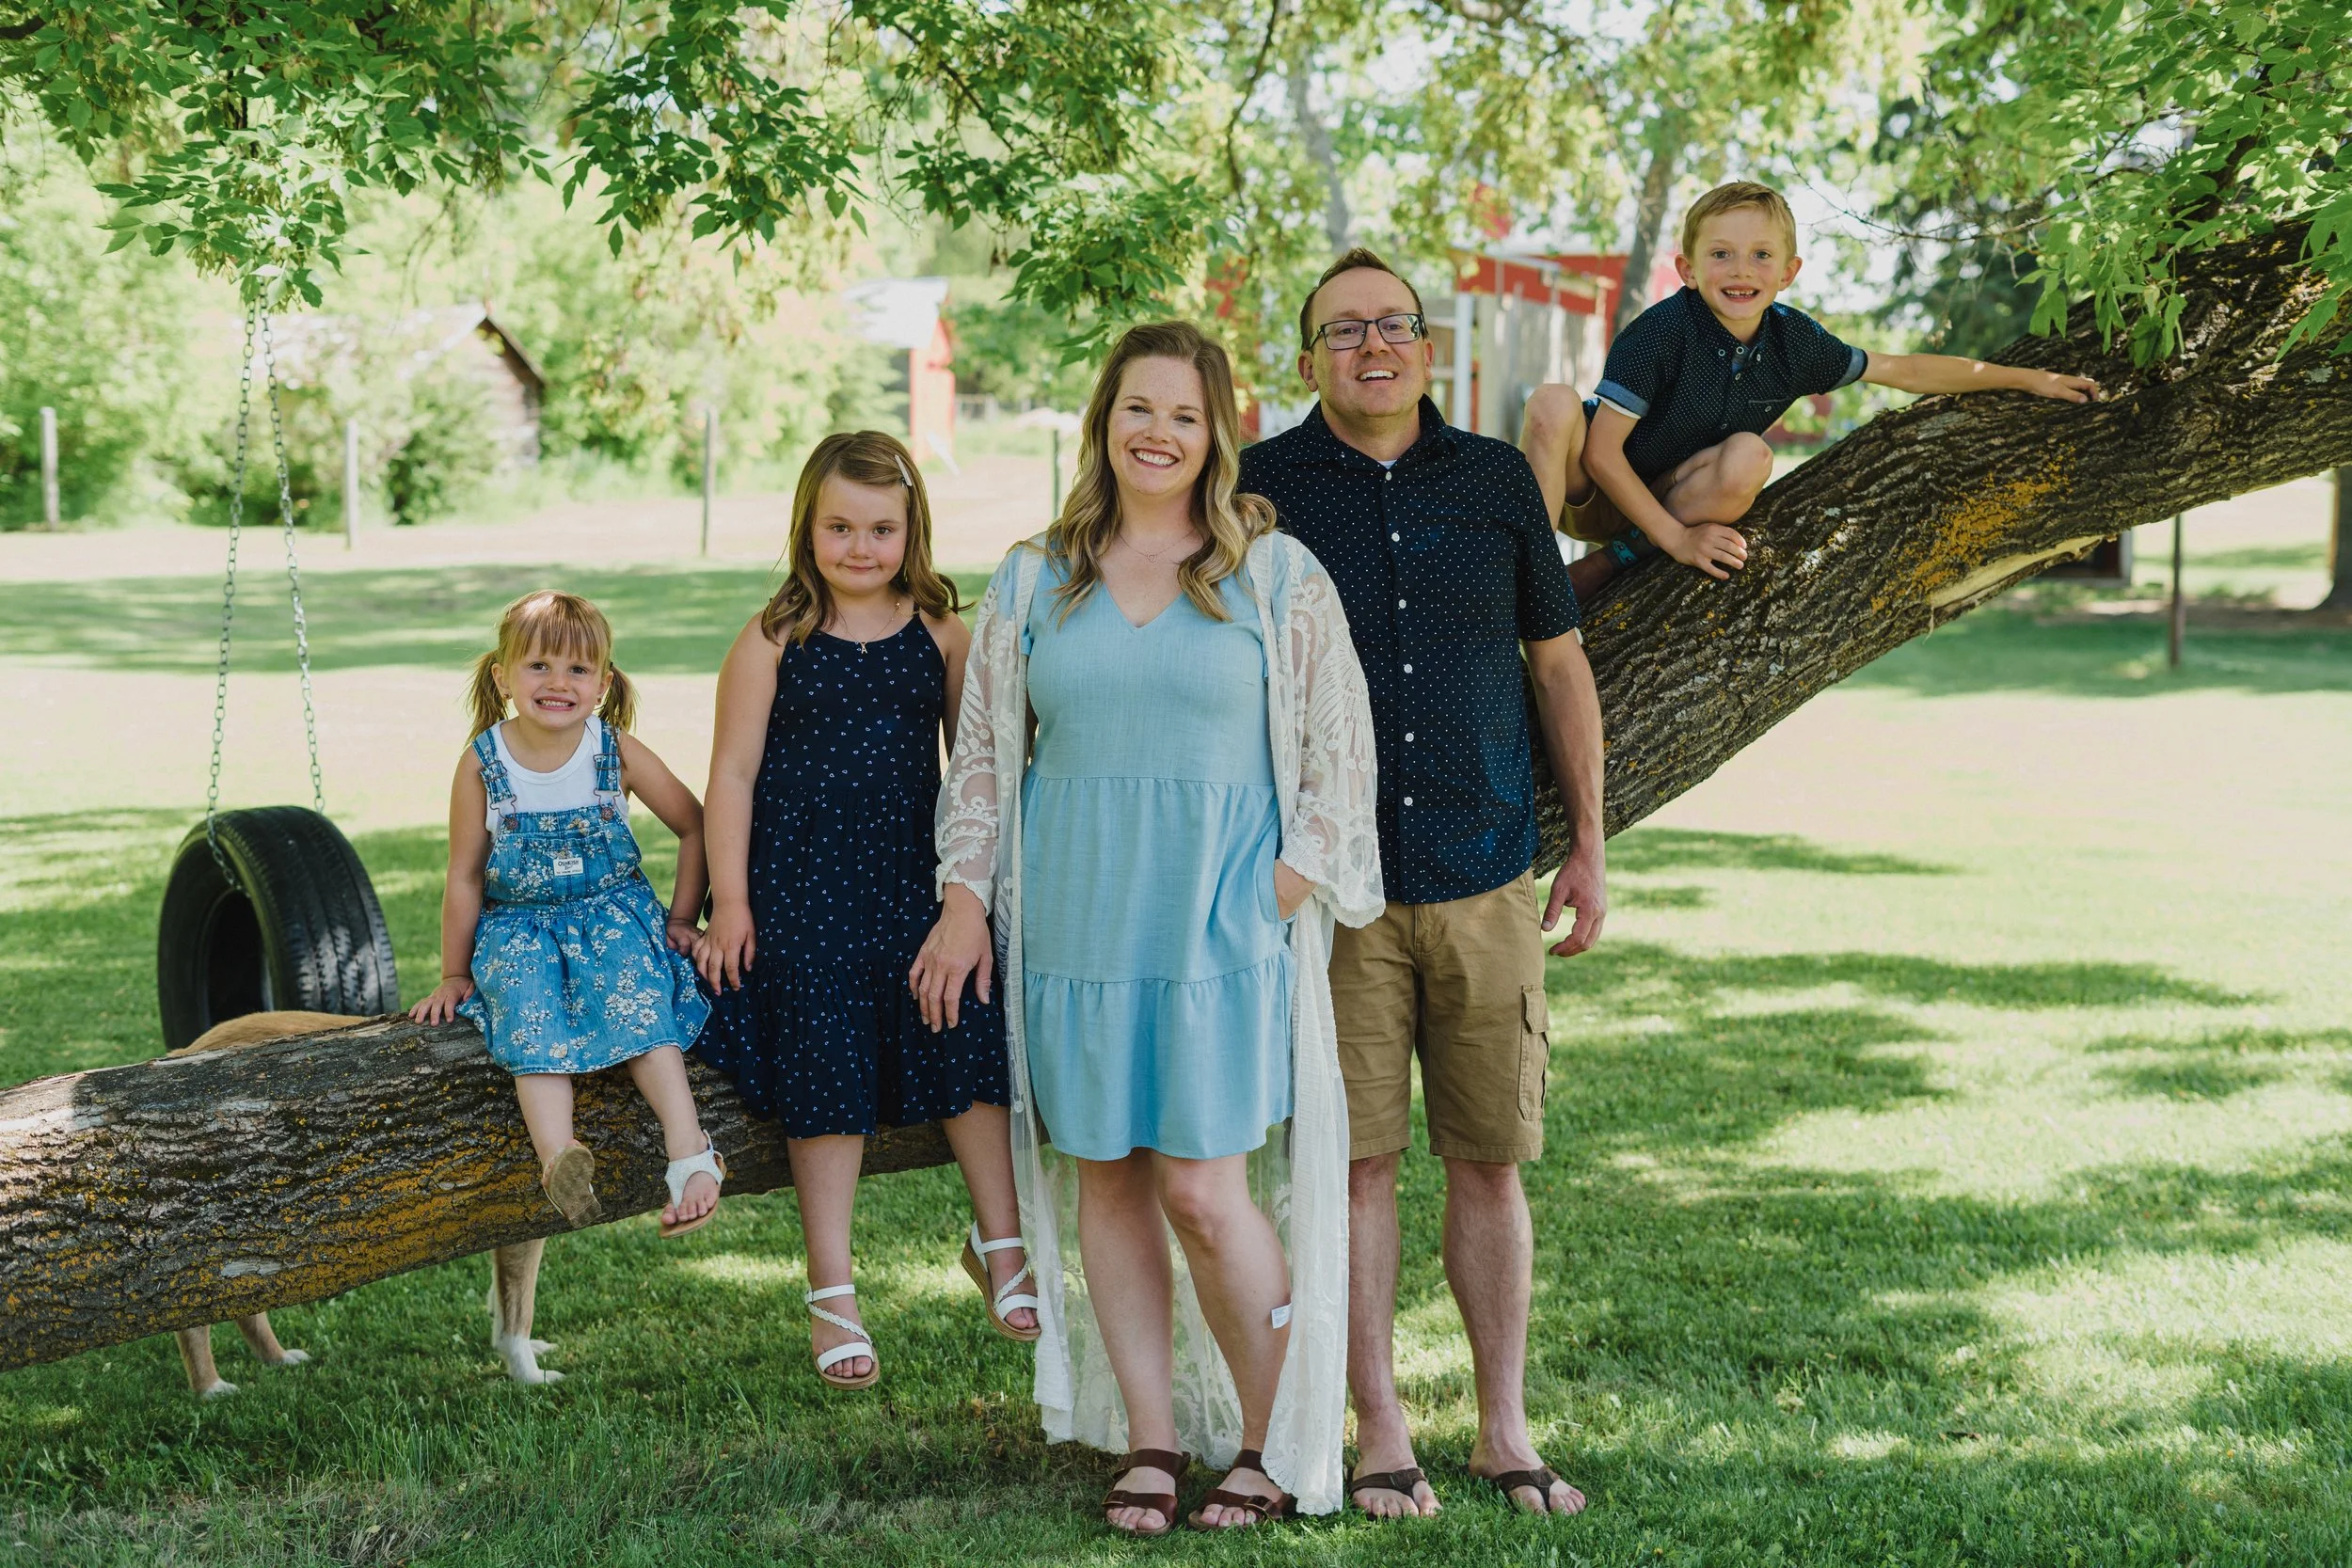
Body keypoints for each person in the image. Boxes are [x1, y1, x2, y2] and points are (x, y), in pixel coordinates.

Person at [911, 321, 1382, 1530]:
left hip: (1215, 935)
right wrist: (967, 896)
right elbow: (982, 760)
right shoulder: (1033, 574)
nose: (1157, 432)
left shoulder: (1276, 572)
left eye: (1183, 412)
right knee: (1106, 1182)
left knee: (1204, 1191)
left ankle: (1279, 1440)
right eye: (1137, 408)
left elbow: (1340, 749)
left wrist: (1282, 885)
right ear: (1102, 421)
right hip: (1075, 926)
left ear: (1217, 432)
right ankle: (1153, 1440)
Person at [1239, 247, 1609, 1519]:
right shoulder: (1259, 491)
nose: (1373, 347)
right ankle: (1381, 1426)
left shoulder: (1501, 480)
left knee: (1490, 1159)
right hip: (1329, 889)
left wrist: (1594, 847)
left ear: (1428, 345)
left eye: (1394, 324)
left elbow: (1558, 668)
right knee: (1355, 1166)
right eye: (1343, 331)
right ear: (1305, 359)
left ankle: (1505, 1427)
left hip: (1485, 869)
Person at [693, 431, 1035, 1391]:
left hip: (909, 886)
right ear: (806, 525)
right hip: (799, 892)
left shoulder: (939, 632)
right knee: (824, 1052)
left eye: (880, 528)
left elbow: (979, 771)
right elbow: (731, 771)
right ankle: (832, 1284)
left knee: (960, 1012)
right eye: (838, 525)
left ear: (910, 530)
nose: (858, 545)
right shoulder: (773, 637)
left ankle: (999, 1240)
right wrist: (731, 899)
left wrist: (967, 899)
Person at [1523, 180, 2104, 596]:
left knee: (1752, 457)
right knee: (1553, 401)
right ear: (1689, 270)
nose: (1741, 270)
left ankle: (1615, 562)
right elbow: (1601, 453)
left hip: (1678, 490)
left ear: (1788, 272)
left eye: (1761, 256)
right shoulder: (1659, 332)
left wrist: (2031, 379)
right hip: (1592, 488)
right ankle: (1532, 583)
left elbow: (1905, 370)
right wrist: (1677, 540)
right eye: (1720, 254)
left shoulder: (1796, 343)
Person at [410, 590, 724, 1240]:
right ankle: (559, 1158)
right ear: (502, 675)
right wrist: (451, 972)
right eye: (539, 666)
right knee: (529, 1012)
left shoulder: (615, 751)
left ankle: (690, 1154)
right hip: (519, 925)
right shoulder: (483, 763)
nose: (558, 683)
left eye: (578, 670)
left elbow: (695, 826)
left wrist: (683, 917)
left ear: (604, 682)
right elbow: (466, 874)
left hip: (613, 914)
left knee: (636, 992)